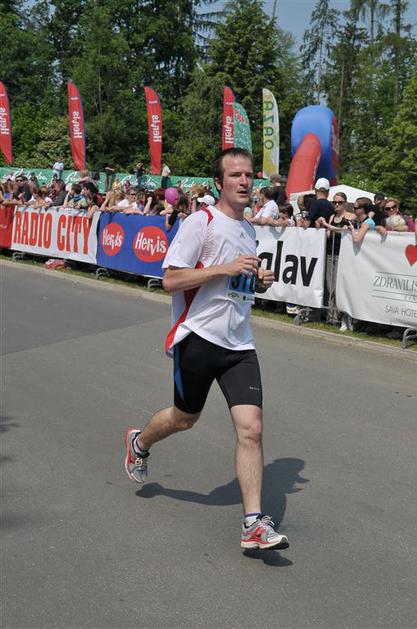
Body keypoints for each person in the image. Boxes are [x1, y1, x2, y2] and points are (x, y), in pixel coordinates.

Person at [123, 147, 289, 552]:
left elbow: (236, 286)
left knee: (252, 429)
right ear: (219, 182)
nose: (244, 181)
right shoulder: (202, 221)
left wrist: (257, 282)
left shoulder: (249, 229)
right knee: (184, 418)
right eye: (235, 175)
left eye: (249, 175)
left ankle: (253, 523)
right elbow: (170, 279)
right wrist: (225, 268)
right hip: (198, 337)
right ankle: (140, 443)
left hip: (240, 344)